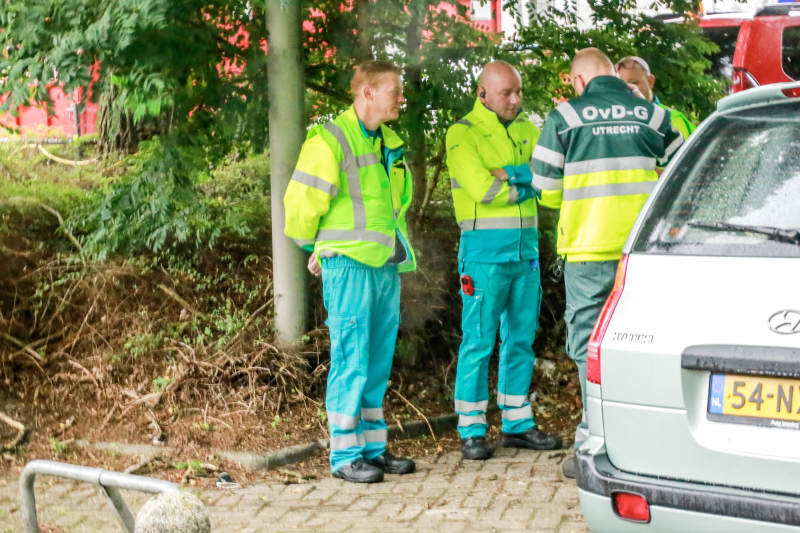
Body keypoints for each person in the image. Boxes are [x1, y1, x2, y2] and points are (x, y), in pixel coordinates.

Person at [532, 48, 683, 477]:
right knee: (647, 344)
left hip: (588, 250)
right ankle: (649, 440)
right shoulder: (653, 115)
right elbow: (679, 177)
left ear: (578, 82)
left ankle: (596, 442)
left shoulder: (565, 117)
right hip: (643, 253)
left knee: (587, 348)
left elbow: (545, 190)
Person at [284, 60, 417, 483]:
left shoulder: (387, 144)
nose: (402, 98)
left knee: (376, 362)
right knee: (351, 359)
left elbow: (389, 209)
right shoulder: (329, 139)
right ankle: (345, 456)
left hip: (382, 265)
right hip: (349, 267)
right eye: (395, 90)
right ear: (368, 94)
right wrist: (317, 247)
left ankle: (374, 449)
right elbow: (300, 207)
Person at [445, 60, 563, 461]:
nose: (515, 100)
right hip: (482, 256)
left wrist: (510, 175)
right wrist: (528, 178)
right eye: (505, 93)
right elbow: (482, 190)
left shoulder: (530, 129)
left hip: (525, 252)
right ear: (482, 93)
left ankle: (517, 424)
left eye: (518, 93)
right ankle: (472, 428)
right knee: (478, 342)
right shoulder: (463, 133)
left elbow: (551, 183)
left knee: (521, 341)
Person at [616, 56, 695, 141]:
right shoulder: (613, 122)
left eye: (633, 82)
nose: (628, 89)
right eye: (621, 85)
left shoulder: (672, 119)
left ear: (650, 81)